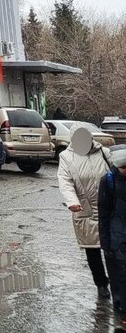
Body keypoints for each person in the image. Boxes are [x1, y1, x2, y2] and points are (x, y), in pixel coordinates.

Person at [58, 126, 116, 301]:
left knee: (114, 247)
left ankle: (117, 282)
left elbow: (118, 172)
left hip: (109, 208)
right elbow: (65, 181)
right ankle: (101, 284)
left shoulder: (104, 152)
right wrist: (72, 202)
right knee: (92, 249)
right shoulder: (66, 157)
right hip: (85, 208)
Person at [100, 145, 126, 329]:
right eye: (123, 167)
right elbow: (103, 214)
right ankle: (121, 309)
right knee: (120, 275)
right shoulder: (108, 181)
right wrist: (105, 242)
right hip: (117, 236)